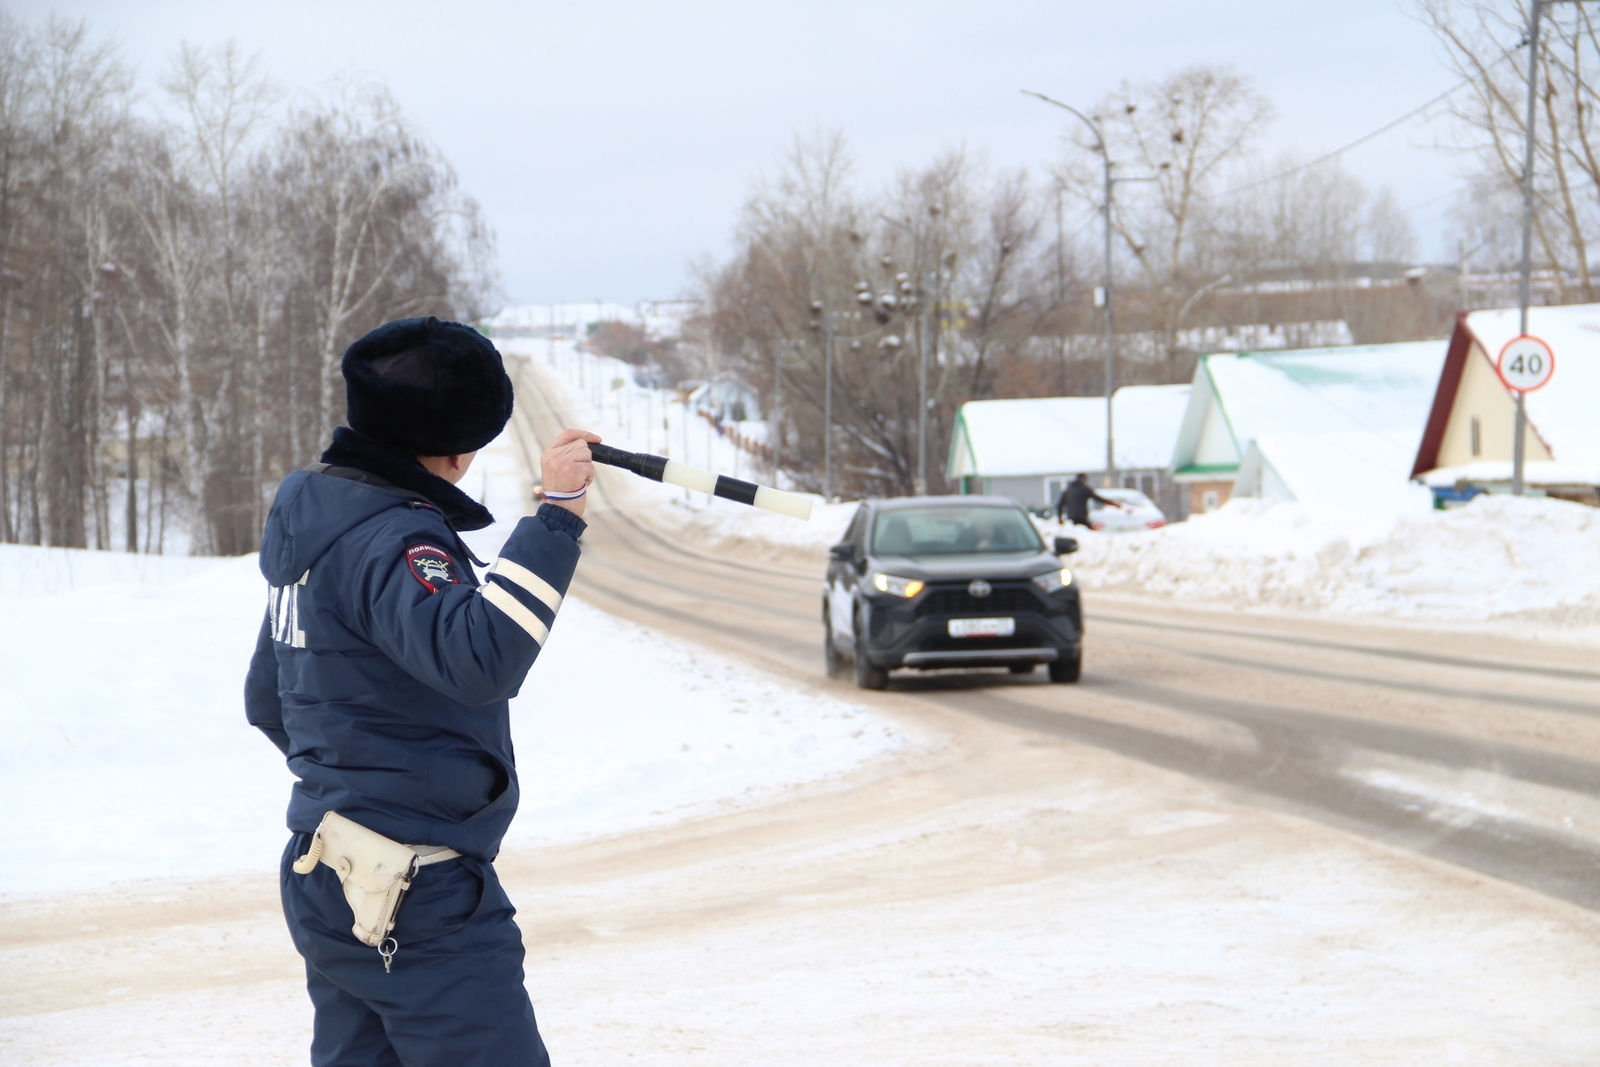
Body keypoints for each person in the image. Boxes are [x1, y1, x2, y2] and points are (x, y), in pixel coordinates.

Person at [244, 315, 597, 1067]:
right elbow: (483, 658)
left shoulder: (316, 528)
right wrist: (558, 516)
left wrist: (357, 781)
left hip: (326, 869)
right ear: (457, 449)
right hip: (415, 891)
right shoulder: (399, 538)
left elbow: (268, 699)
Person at [1055, 472, 1124, 528]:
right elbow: (1097, 498)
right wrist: (1113, 503)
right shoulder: (1084, 488)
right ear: (1083, 479)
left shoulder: (1068, 490)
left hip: (1070, 518)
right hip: (1081, 518)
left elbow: (1059, 505)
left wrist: (1060, 518)